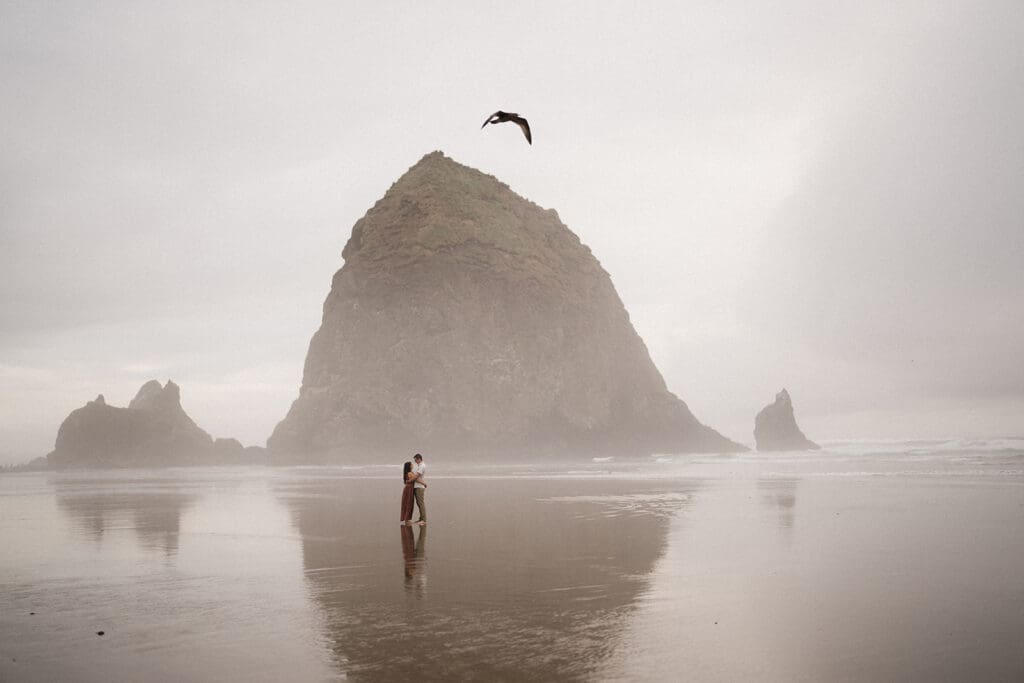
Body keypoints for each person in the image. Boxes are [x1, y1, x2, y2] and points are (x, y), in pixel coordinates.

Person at [401, 460, 426, 525]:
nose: (412, 465)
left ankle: (407, 519)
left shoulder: (409, 472)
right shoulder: (410, 473)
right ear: (409, 466)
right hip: (408, 490)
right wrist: (424, 483)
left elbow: (415, 478)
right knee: (408, 504)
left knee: (408, 504)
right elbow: (416, 479)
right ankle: (407, 520)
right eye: (411, 464)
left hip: (409, 489)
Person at [412, 453, 427, 524]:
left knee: (421, 503)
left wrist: (410, 479)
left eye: (416, 460)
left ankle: (423, 520)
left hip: (419, 487)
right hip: (417, 486)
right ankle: (421, 518)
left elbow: (416, 476)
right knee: (419, 503)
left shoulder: (422, 466)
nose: (415, 461)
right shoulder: (419, 466)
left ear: (419, 459)